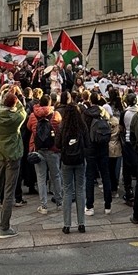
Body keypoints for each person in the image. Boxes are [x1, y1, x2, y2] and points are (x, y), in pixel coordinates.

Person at [0, 91, 25, 238]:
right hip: (12, 156)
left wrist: (8, 94)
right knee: (8, 192)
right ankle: (5, 227)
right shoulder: (17, 118)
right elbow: (22, 109)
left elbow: (0, 104)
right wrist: (19, 96)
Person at [56, 97, 88, 234]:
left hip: (66, 161)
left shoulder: (62, 126)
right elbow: (87, 143)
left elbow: (57, 144)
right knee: (80, 190)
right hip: (80, 160)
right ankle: (81, 223)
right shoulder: (82, 126)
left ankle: (66, 224)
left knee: (67, 191)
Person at [26, 94, 62, 214]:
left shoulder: (32, 115)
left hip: (39, 149)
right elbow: (59, 128)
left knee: (41, 178)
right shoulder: (56, 114)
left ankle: (44, 206)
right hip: (53, 149)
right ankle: (59, 202)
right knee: (56, 176)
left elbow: (29, 127)